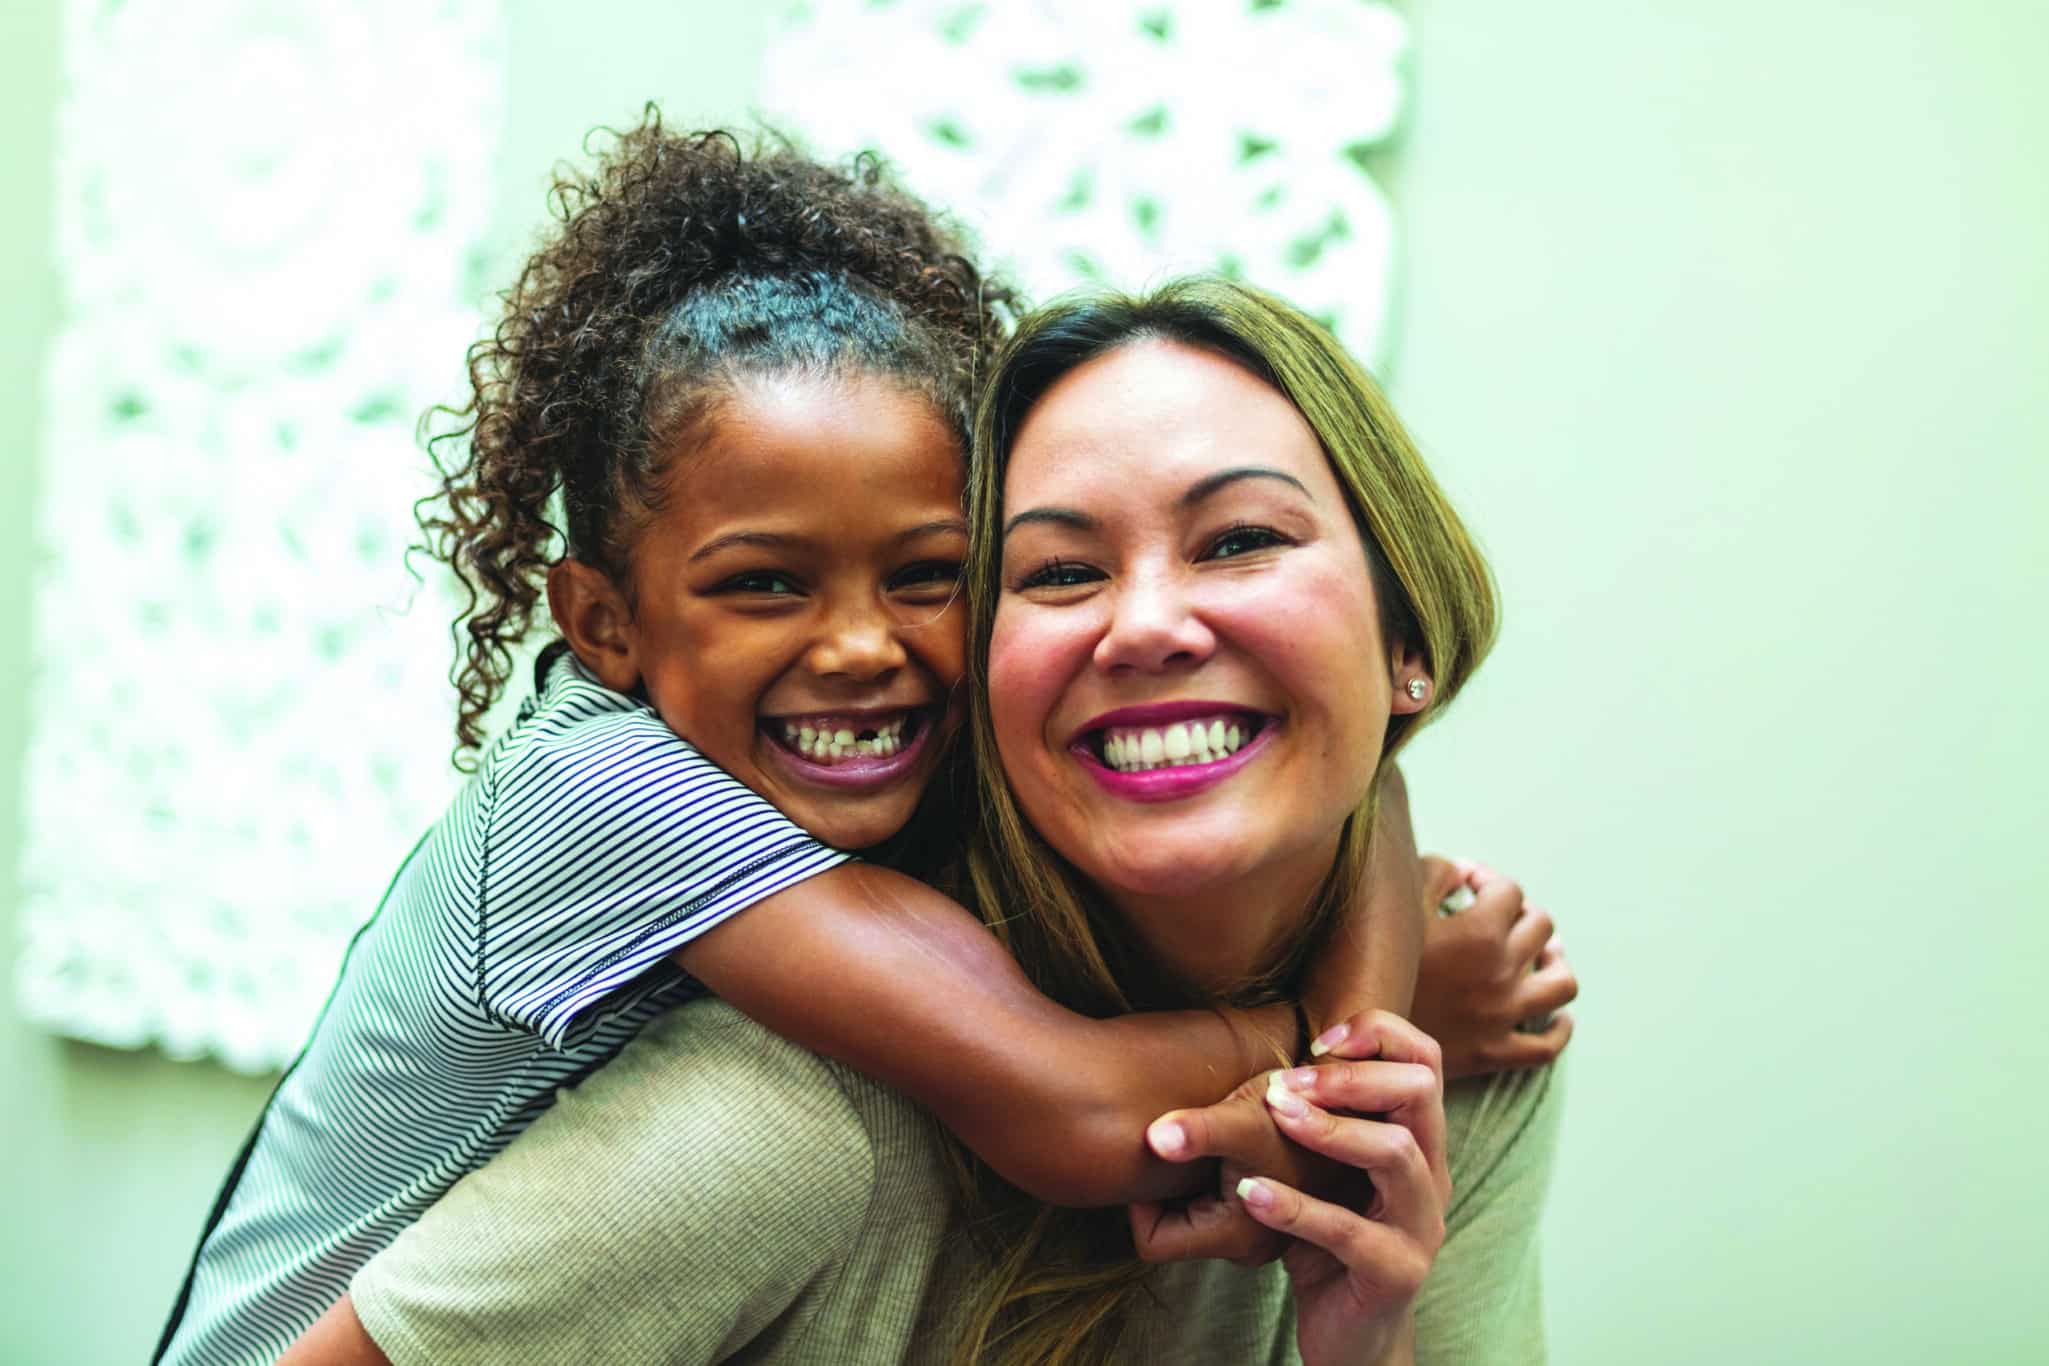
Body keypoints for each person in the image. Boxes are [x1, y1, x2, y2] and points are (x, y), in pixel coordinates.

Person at [157, 119, 1544, 1366]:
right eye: (765, 581)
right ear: (602, 621)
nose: (863, 646)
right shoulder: (603, 794)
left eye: (929, 573)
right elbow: (1062, 1100)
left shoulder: (874, 781)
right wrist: (1361, 1030)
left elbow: (1368, 773)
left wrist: (1370, 1029)